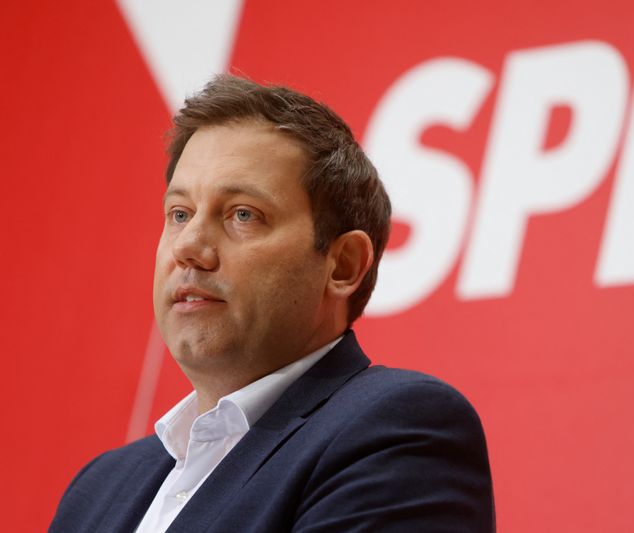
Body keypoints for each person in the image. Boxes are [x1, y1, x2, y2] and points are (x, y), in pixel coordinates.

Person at [49, 74, 494, 532]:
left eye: (243, 214)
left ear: (342, 264)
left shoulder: (396, 432)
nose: (190, 246)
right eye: (179, 214)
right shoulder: (97, 490)